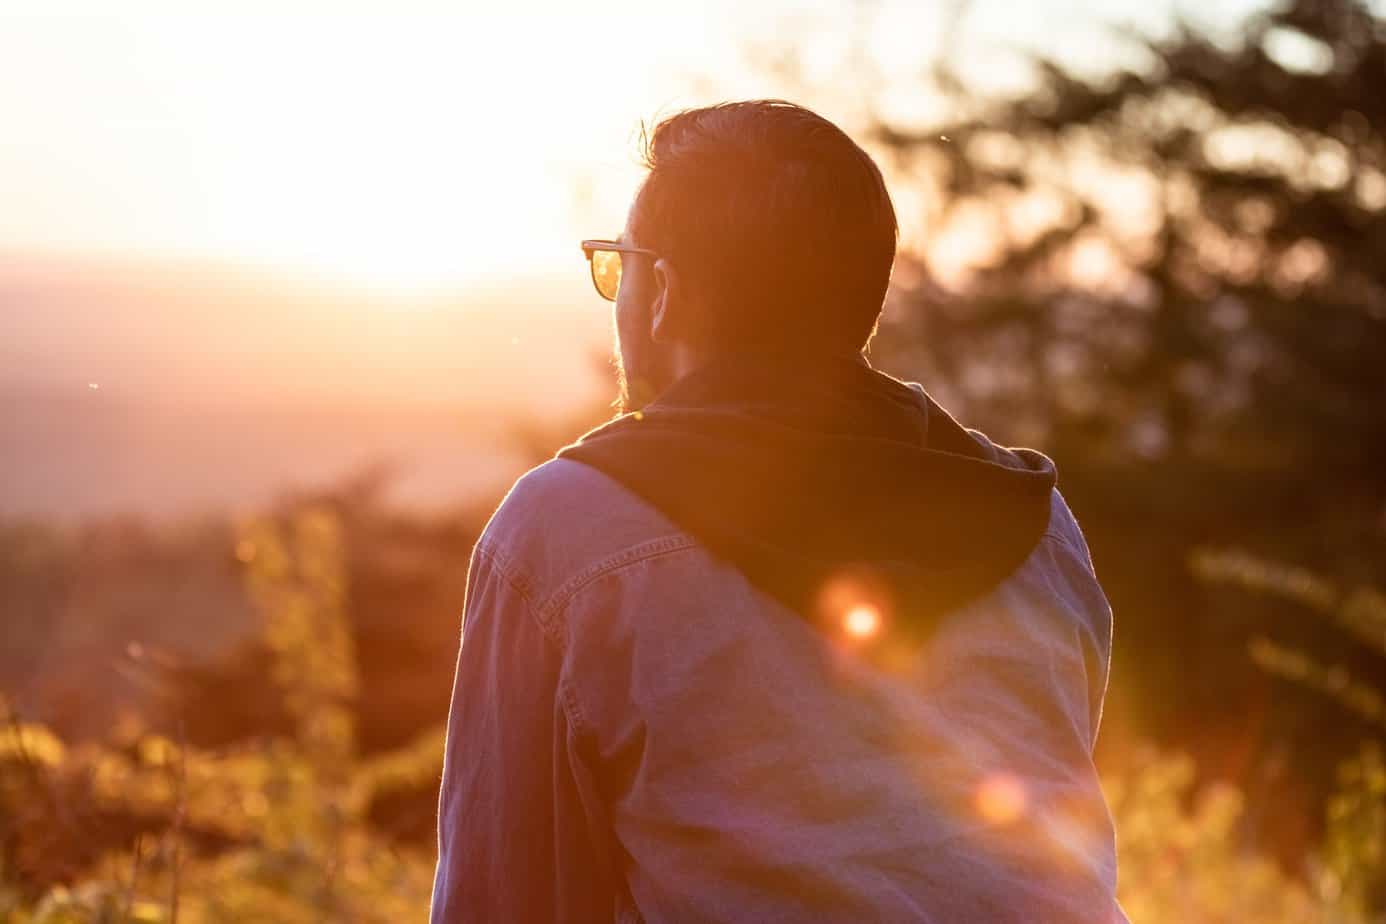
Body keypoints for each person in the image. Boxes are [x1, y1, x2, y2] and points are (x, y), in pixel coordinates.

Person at [430, 99, 1128, 923]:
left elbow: (506, 898)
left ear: (666, 293)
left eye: (620, 265)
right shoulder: (1038, 523)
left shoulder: (567, 531)